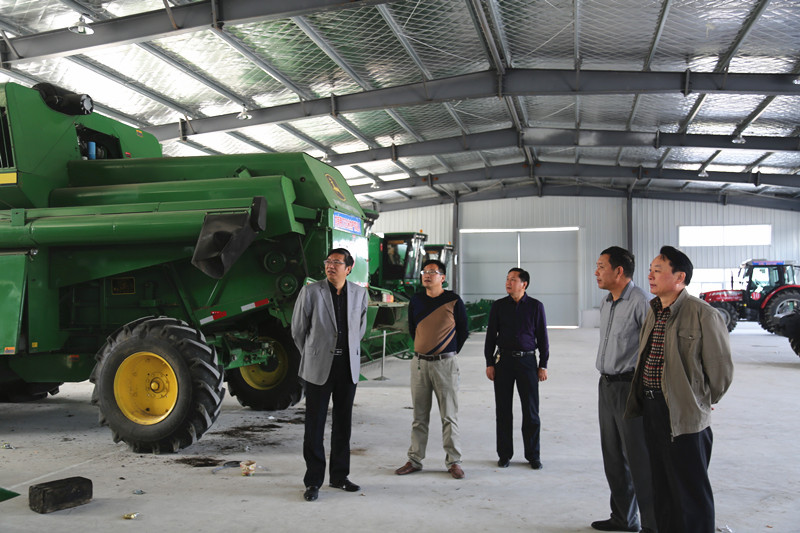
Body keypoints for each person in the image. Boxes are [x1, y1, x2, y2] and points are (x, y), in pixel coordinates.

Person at [625, 246, 733, 533]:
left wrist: (698, 399)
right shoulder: (654, 311)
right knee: (662, 486)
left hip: (684, 415)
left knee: (690, 491)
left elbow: (721, 372)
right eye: (650, 270)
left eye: (658, 270)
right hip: (653, 410)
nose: (650, 275)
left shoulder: (703, 314)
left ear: (679, 277)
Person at [291, 248, 368, 502]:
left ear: (349, 268)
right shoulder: (311, 292)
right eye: (328, 261)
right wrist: (313, 354)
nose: (330, 266)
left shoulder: (359, 293)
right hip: (319, 366)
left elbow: (360, 328)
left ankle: (339, 476)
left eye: (337, 262)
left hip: (347, 367)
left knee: (343, 423)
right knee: (314, 425)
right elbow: (298, 330)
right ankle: (313, 481)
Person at [592, 247, 657, 533]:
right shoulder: (607, 302)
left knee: (638, 459)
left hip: (630, 388)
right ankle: (623, 518)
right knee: (613, 457)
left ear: (619, 271)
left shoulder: (641, 302)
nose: (596, 272)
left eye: (601, 266)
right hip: (606, 386)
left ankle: (652, 524)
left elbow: (655, 349)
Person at [394, 259, 469, 479]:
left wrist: (448, 351)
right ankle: (414, 460)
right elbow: (412, 328)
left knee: (449, 416)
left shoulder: (453, 300)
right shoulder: (416, 300)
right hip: (420, 365)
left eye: (433, 272)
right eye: (424, 271)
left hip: (445, 364)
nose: (427, 275)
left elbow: (463, 331)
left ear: (442, 277)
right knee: (419, 416)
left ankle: (454, 461)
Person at [484, 267, 549, 470]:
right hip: (503, 361)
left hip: (527, 362)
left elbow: (543, 338)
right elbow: (490, 337)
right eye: (507, 279)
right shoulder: (499, 306)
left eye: (513, 279)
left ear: (524, 284)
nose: (508, 282)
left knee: (531, 411)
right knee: (503, 410)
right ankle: (504, 455)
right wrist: (489, 363)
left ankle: (533, 455)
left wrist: (543, 365)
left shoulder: (536, 307)